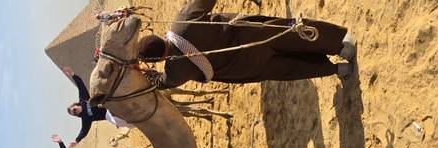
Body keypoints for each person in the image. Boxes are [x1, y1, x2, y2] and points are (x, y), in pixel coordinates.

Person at [137, 0, 356, 89]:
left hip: (244, 67)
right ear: (159, 36)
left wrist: (143, 71)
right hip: (250, 33)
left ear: (160, 59)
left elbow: (160, 83)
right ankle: (341, 46)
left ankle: (338, 69)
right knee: (290, 33)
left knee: (289, 69)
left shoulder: (175, 71)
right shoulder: (181, 24)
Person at [63, 67, 133, 148]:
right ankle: (135, 123)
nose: (75, 111)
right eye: (74, 113)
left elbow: (80, 86)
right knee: (117, 121)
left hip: (106, 103)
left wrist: (73, 74)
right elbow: (83, 131)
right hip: (107, 114)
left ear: (75, 105)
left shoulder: (83, 99)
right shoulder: (85, 118)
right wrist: (76, 141)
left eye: (74, 109)